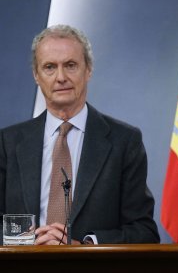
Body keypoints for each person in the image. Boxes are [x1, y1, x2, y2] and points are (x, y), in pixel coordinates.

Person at [0, 25, 159, 245]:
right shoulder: (7, 143)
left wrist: (84, 245)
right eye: (49, 67)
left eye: (71, 65)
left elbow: (144, 232)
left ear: (89, 70)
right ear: (36, 75)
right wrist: (27, 242)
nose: (61, 77)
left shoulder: (124, 141)